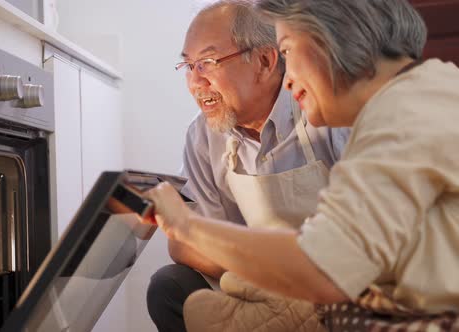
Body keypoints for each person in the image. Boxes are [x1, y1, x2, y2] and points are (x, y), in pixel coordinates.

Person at [144, 0, 459, 331]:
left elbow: (329, 266)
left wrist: (186, 224)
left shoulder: (407, 112)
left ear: (336, 44)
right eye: (189, 67)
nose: (288, 76)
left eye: (289, 51)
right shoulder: (408, 98)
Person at [146, 1, 349, 331]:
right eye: (188, 66)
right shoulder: (203, 136)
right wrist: (263, 282)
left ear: (265, 61)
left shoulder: (332, 112)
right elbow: (185, 242)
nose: (196, 83)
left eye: (208, 63)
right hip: (261, 283)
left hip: (341, 277)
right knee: (169, 286)